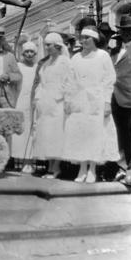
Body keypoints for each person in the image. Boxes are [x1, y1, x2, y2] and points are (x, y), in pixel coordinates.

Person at [63, 26, 119, 183]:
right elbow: (70, 81)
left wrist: (107, 101)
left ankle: (93, 169)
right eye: (82, 37)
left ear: (94, 39)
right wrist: (68, 100)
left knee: (95, 134)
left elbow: (109, 79)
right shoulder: (76, 58)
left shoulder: (103, 56)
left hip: (97, 100)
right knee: (81, 134)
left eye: (87, 38)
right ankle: (81, 169)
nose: (84, 40)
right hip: (79, 101)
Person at [31, 33, 71, 179]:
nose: (47, 48)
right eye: (46, 45)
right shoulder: (47, 63)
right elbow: (41, 82)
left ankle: (56, 167)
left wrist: (58, 96)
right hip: (45, 102)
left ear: (57, 45)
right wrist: (38, 98)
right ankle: (50, 166)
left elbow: (68, 82)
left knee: (56, 134)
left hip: (57, 103)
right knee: (46, 133)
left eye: (49, 45)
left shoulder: (64, 62)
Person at [111, 15, 131, 186]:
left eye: (129, 30)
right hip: (115, 97)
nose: (126, 33)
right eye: (123, 30)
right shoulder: (114, 52)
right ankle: (122, 166)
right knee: (119, 134)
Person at [11, 41, 38, 173]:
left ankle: (29, 161)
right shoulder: (18, 67)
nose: (29, 54)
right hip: (20, 101)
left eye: (31, 52)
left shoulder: (37, 67)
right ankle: (19, 161)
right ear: (23, 53)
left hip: (33, 102)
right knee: (21, 131)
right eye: (26, 52)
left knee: (32, 131)